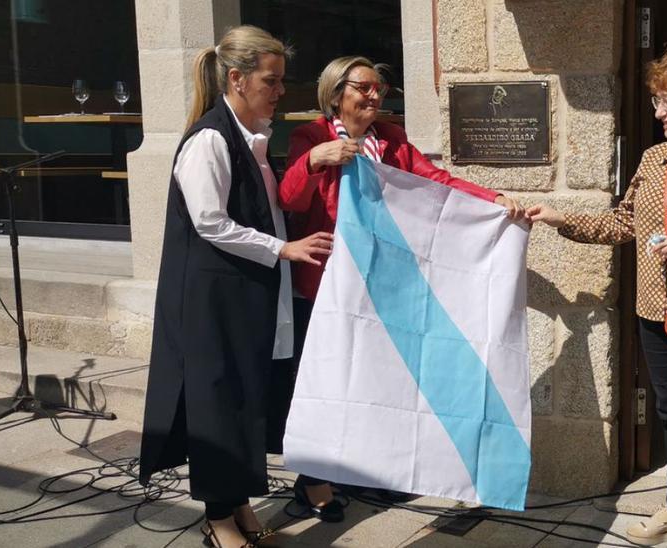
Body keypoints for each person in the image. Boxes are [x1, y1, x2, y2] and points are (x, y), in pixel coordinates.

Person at [276, 55, 524, 520]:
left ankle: (375, 470)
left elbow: (434, 182)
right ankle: (313, 483)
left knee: (380, 376)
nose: (374, 97)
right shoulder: (309, 136)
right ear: (336, 94)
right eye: (364, 88)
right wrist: (314, 161)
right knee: (331, 379)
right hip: (329, 281)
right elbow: (289, 200)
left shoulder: (390, 138)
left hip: (386, 282)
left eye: (379, 90)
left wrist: (492, 200)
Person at [527, 46, 667, 548]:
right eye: (655, 101)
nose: (658, 113)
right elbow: (622, 222)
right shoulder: (654, 159)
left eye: (666, 101)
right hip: (653, 308)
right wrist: (559, 217)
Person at [138, 25, 332, 548]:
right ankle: (219, 520)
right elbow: (209, 221)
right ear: (238, 79)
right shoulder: (209, 139)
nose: (279, 91)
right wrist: (282, 250)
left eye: (281, 81)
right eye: (271, 81)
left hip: (241, 297)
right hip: (212, 302)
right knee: (218, 407)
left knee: (243, 403)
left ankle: (241, 508)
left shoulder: (250, 141)